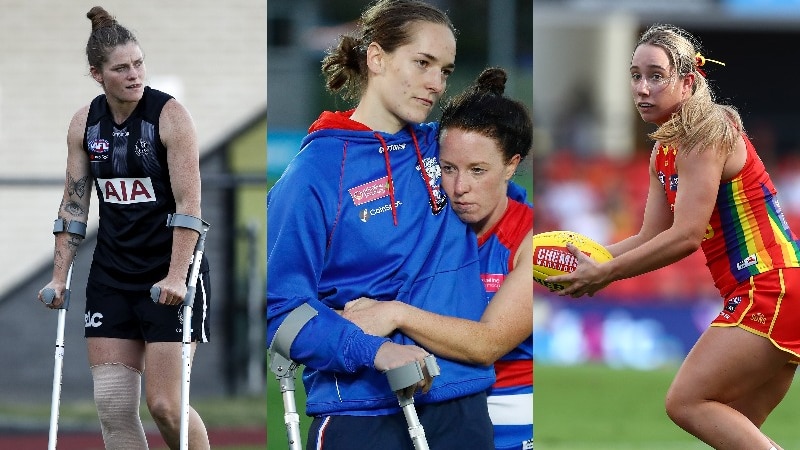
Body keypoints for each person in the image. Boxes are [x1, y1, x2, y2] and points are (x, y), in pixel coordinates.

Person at [548, 23, 800, 450]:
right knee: (734, 427)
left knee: (685, 402)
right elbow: (651, 234)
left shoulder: (706, 132)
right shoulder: (664, 148)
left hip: (769, 288)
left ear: (687, 82)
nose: (642, 88)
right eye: (635, 75)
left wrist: (605, 274)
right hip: (770, 289)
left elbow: (685, 237)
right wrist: (584, 261)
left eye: (656, 75)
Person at [266, 1, 498, 449]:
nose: (435, 83)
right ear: (377, 59)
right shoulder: (312, 175)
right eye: (422, 63)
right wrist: (377, 352)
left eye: (445, 70)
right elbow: (282, 316)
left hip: (463, 405)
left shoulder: (449, 151)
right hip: (362, 414)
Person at [37, 6, 211, 449]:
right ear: (97, 74)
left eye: (139, 63)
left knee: (165, 404)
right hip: (112, 274)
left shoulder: (169, 117)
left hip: (169, 272)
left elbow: (190, 204)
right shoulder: (85, 123)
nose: (134, 75)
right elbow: (74, 204)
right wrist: (59, 276)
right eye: (121, 68)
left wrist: (175, 276)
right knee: (114, 407)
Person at [341, 67, 533, 450]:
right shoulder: (428, 218)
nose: (460, 188)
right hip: (424, 412)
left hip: (512, 417)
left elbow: (488, 344)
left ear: (511, 165)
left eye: (478, 171)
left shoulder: (533, 239)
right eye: (448, 169)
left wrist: (395, 313)